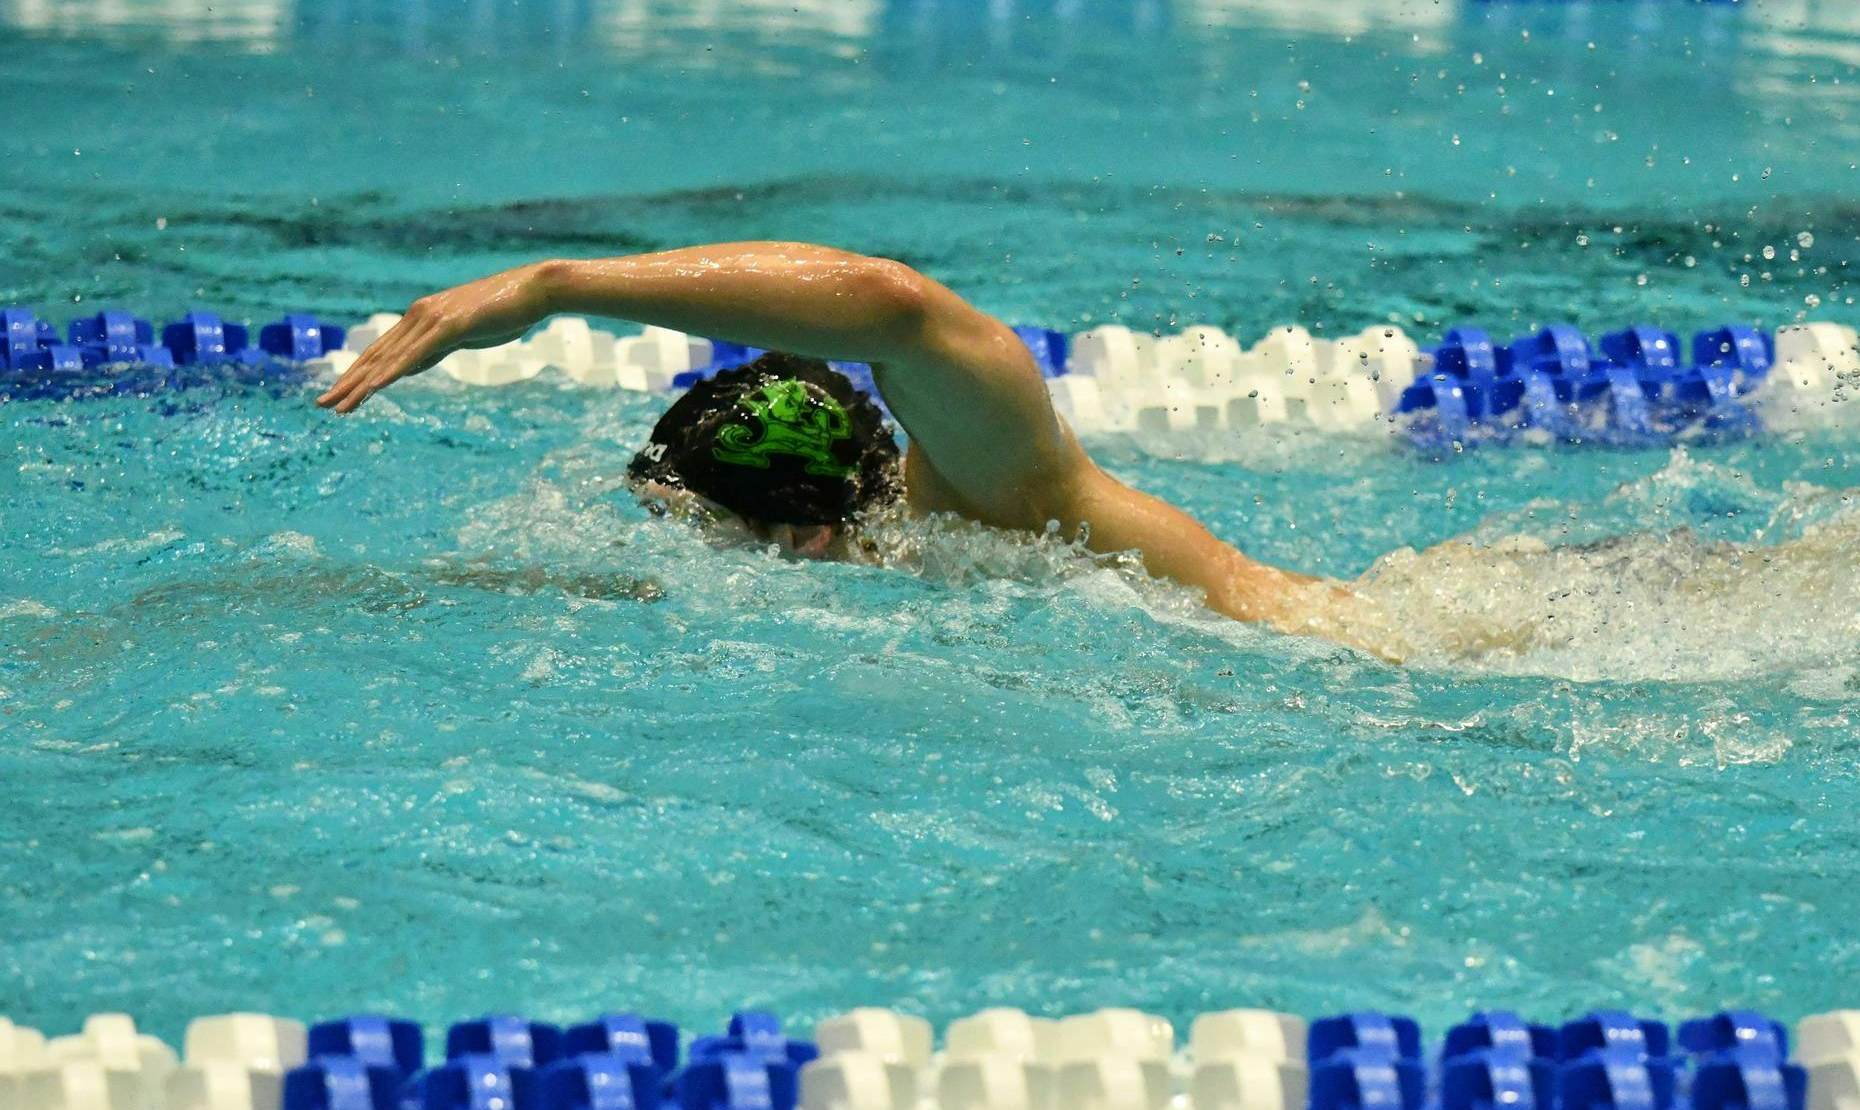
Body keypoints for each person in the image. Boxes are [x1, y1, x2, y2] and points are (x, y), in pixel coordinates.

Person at [317, 241, 1409, 659]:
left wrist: (559, 288)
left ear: (802, 533)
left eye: (704, 534)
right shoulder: (886, 552)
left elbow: (896, 305)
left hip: (1419, 652)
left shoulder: (997, 499)